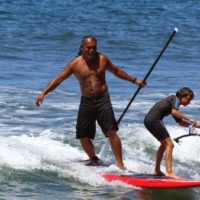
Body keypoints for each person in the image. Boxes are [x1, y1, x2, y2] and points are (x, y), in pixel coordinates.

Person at [35, 35, 146, 170]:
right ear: (82, 48)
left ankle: (121, 165)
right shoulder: (75, 64)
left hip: (103, 99)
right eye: (88, 48)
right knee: (82, 134)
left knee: (111, 132)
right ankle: (93, 159)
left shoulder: (102, 59)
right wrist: (43, 93)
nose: (92, 50)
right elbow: (58, 79)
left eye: (94, 48)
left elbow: (117, 71)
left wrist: (135, 81)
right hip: (86, 100)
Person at [144, 87, 200, 179]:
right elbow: (174, 112)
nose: (189, 102)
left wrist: (197, 125)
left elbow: (180, 123)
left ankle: (157, 170)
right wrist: (189, 118)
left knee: (164, 145)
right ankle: (169, 172)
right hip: (154, 120)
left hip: (149, 120)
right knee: (170, 144)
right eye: (188, 99)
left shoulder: (173, 104)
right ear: (182, 96)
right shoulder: (175, 99)